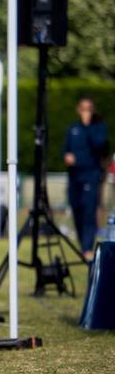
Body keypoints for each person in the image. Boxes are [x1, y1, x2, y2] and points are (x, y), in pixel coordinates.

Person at [63, 97, 110, 259]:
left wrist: (88, 125)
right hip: (74, 176)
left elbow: (100, 146)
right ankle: (82, 244)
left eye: (88, 109)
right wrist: (67, 156)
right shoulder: (72, 128)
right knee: (76, 208)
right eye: (83, 108)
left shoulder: (98, 128)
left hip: (91, 174)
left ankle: (87, 247)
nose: (85, 112)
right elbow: (66, 149)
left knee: (89, 210)